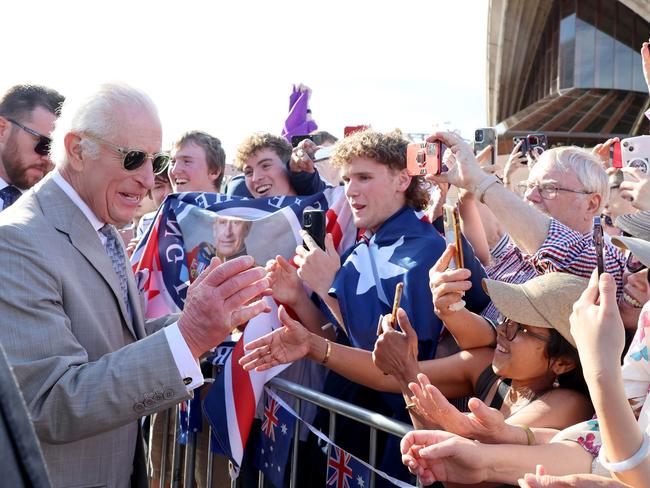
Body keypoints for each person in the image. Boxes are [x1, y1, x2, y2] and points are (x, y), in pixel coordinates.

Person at [0, 83, 271, 488]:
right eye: (132, 159)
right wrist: (189, 336)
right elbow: (47, 403)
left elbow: (117, 343)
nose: (148, 179)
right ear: (76, 149)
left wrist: (203, 320)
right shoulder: (17, 241)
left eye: (156, 160)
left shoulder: (100, 225)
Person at [0, 84, 64, 210]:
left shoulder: (57, 212)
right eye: (43, 143)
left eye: (57, 150)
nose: (48, 158)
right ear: (2, 129)